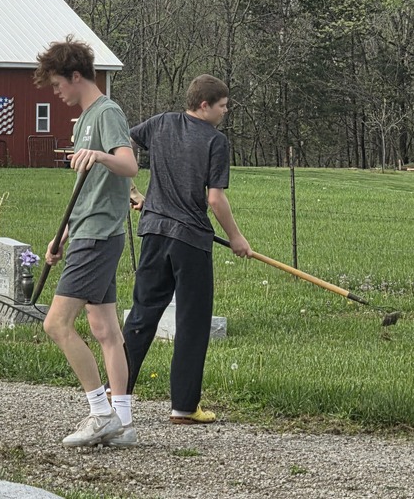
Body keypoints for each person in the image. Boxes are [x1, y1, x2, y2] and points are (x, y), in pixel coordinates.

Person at [123, 74, 252, 423]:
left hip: (153, 233)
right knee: (192, 322)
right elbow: (215, 198)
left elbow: (116, 146)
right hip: (191, 241)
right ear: (205, 105)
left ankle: (116, 392)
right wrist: (237, 238)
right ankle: (184, 407)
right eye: (223, 106)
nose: (226, 112)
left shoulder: (160, 123)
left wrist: (133, 192)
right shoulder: (215, 141)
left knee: (142, 313)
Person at [34, 38, 138, 447]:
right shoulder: (85, 120)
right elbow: (91, 188)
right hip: (86, 231)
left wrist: (99, 155)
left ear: (76, 76)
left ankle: (99, 414)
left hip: (98, 236)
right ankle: (124, 422)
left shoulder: (106, 113)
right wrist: (61, 235)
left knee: (56, 324)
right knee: (105, 328)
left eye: (58, 84)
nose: (56, 93)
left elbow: (128, 164)